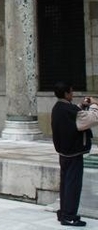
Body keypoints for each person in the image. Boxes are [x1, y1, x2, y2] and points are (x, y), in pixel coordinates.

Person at [51, 82, 98, 227]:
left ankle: (64, 213)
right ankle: (69, 216)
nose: (72, 94)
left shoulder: (58, 107)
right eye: (71, 92)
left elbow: (75, 114)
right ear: (66, 94)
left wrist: (82, 105)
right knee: (73, 185)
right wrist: (94, 105)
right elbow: (92, 119)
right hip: (73, 154)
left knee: (66, 184)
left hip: (64, 153)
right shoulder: (70, 111)